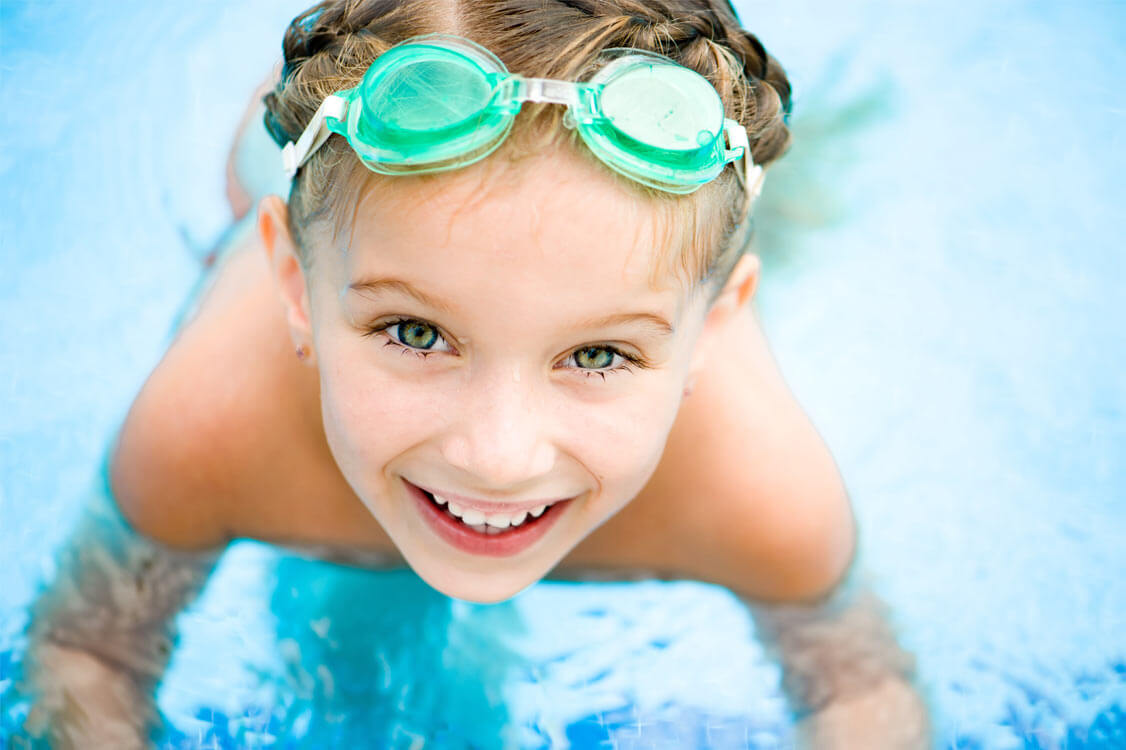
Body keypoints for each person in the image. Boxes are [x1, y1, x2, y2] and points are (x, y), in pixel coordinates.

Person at [19, 0, 930, 746]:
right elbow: (88, 653)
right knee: (265, 160)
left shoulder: (762, 492)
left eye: (600, 353)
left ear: (716, 330)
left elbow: (861, 695)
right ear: (293, 285)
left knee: (782, 196)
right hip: (294, 181)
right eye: (415, 331)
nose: (496, 457)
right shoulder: (208, 426)